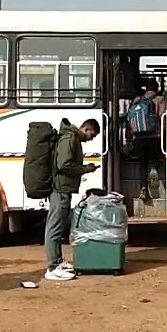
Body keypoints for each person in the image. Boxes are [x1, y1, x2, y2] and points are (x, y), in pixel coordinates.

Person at [44, 118, 101, 281]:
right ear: (86, 129)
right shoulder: (70, 139)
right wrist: (84, 169)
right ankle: (53, 268)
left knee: (57, 227)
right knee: (54, 228)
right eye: (92, 135)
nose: (91, 139)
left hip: (63, 189)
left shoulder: (71, 138)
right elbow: (64, 165)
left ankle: (57, 262)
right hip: (60, 189)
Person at [132, 79, 164, 200]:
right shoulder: (159, 99)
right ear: (156, 88)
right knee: (157, 156)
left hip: (138, 137)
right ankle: (154, 168)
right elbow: (162, 116)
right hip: (153, 136)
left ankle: (143, 189)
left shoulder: (137, 100)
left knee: (142, 163)